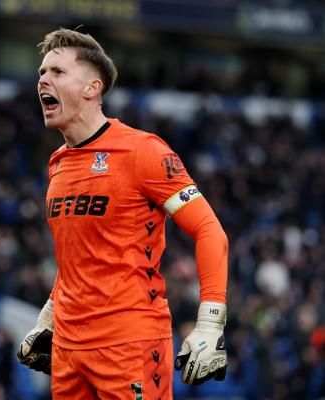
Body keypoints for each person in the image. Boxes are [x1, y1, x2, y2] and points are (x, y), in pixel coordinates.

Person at [17, 28, 229, 399]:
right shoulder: (58, 164)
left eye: (57, 72)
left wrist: (210, 324)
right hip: (67, 350)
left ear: (92, 88)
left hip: (129, 345)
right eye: (42, 72)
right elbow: (78, 257)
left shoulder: (143, 151)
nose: (43, 80)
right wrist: (49, 316)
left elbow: (210, 230)